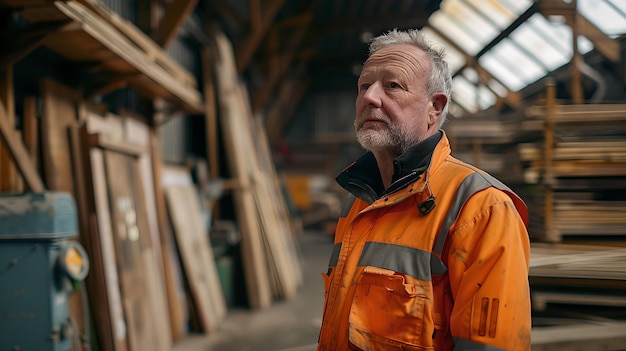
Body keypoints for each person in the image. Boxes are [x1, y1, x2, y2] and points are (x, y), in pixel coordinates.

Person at [317, 28, 531, 351]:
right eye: (364, 86)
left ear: (434, 107)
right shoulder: (357, 202)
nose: (370, 98)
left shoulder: (481, 210)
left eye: (392, 85)